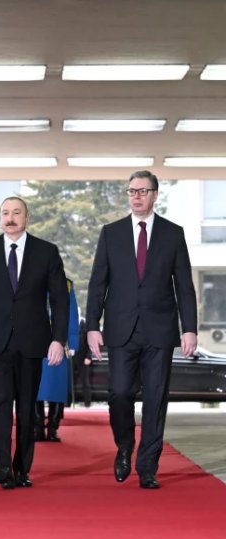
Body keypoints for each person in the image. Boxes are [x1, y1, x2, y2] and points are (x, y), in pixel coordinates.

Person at [86, 170, 197, 489]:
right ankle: (124, 445)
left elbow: (184, 286)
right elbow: (98, 284)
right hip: (120, 329)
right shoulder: (111, 233)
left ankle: (148, 466)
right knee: (119, 392)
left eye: (142, 191)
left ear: (154, 195)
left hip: (160, 330)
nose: (136, 196)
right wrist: (92, 327)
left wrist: (189, 328)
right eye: (131, 191)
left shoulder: (173, 234)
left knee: (156, 397)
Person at [0, 196, 69, 489]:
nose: (10, 218)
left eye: (16, 213)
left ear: (27, 217)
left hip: (32, 341)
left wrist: (58, 340)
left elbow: (60, 301)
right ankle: (2, 466)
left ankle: (22, 468)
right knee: (2, 403)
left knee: (26, 407)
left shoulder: (46, 252)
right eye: (5, 213)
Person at [35, 279, 80, 442]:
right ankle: (37, 428)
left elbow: (72, 313)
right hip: (35, 341)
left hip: (59, 342)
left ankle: (53, 428)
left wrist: (73, 341)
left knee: (57, 389)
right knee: (34, 387)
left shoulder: (65, 284)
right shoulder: (30, 278)